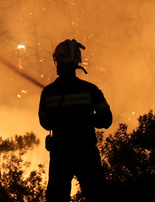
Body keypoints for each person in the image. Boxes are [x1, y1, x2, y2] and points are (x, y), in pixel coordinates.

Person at [38, 39, 113, 202]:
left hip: (61, 153)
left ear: (57, 61)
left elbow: (45, 123)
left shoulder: (49, 92)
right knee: (98, 195)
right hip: (86, 152)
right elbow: (106, 120)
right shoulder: (90, 90)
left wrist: (62, 120)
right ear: (76, 63)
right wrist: (86, 120)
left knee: (56, 198)